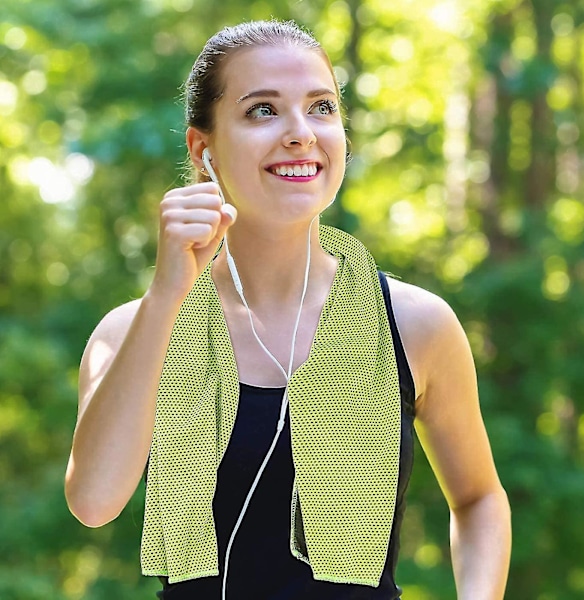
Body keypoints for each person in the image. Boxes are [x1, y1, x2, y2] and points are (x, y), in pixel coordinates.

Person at [65, 19, 511, 600]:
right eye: (263, 111)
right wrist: (166, 297)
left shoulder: (414, 324)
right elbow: (95, 502)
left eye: (322, 107)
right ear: (204, 150)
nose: (301, 133)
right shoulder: (132, 330)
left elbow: (479, 499)